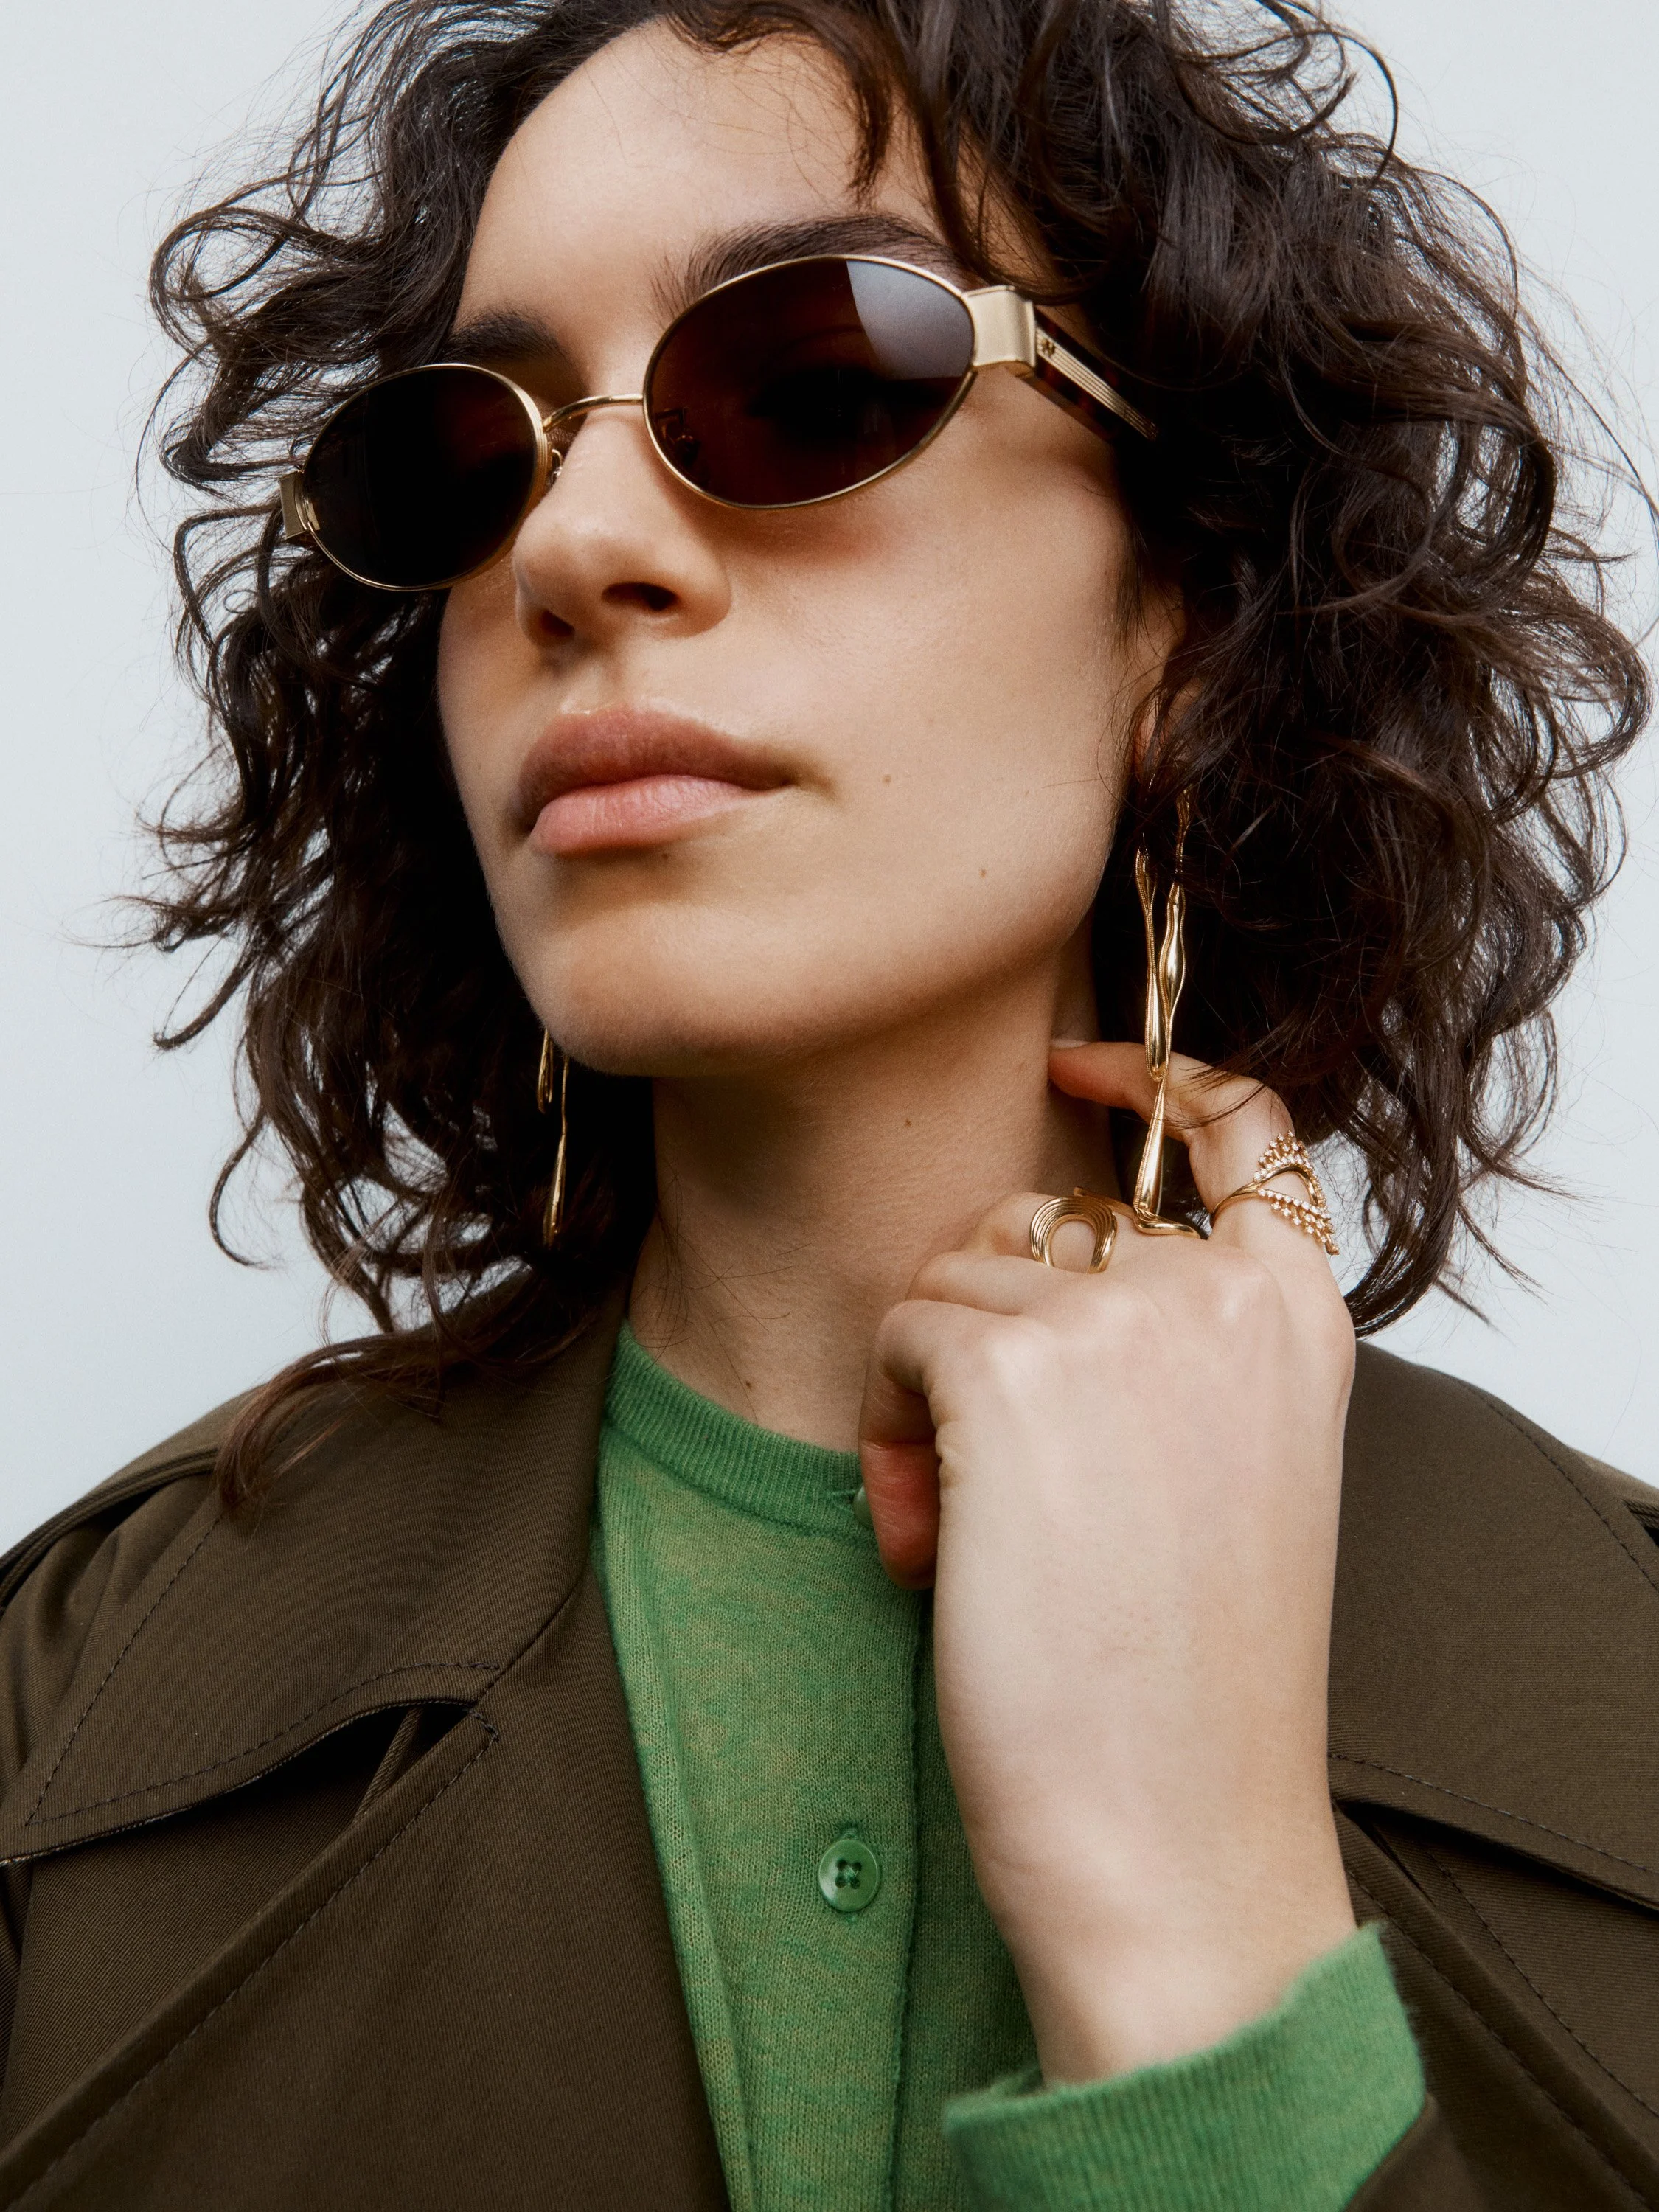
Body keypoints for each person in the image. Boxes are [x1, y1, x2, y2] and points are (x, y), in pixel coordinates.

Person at [0, 1, 1652, 2205]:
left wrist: (1203, 1940)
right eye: (469, 458)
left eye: (806, 380)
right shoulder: (70, 1701)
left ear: (1186, 615)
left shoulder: (1621, 1688)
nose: (576, 550)